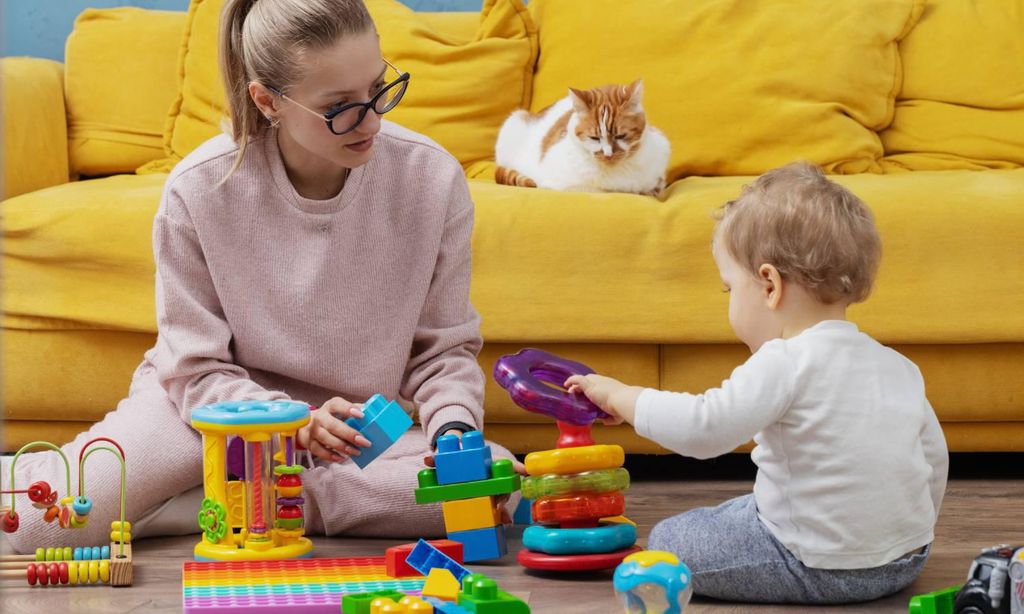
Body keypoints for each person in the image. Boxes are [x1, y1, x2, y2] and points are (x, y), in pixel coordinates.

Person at [1, 0, 512, 552]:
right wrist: (286, 423)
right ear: (268, 101)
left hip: (348, 439)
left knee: (494, 488)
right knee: (36, 526)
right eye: (340, 106)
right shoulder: (197, 189)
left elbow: (443, 351)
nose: (372, 119)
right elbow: (194, 368)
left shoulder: (431, 178)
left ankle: (231, 503)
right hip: (209, 420)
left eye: (378, 87)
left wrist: (454, 429)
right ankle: (254, 494)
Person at [565, 161, 949, 604]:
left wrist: (623, 396)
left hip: (815, 565)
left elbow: (704, 428)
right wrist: (901, 535)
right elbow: (933, 458)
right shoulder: (897, 365)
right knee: (745, 510)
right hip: (903, 561)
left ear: (769, 285)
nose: (729, 302)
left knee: (671, 537)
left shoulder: (786, 361)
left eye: (729, 288)